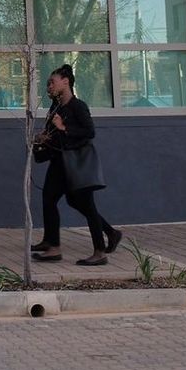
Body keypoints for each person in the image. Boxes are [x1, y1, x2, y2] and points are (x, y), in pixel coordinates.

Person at [31, 63, 123, 266]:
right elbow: (53, 136)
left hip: (75, 164)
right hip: (58, 162)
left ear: (66, 82)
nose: (49, 87)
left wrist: (63, 128)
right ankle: (52, 245)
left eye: (52, 82)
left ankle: (100, 252)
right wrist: (43, 138)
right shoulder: (55, 108)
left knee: (86, 205)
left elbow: (89, 132)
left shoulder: (78, 106)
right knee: (49, 199)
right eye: (48, 84)